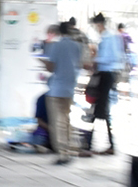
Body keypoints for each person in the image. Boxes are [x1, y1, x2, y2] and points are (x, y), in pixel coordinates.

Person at [43, 22, 83, 163]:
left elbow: (51, 67)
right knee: (66, 119)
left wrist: (43, 62)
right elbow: (79, 64)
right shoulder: (77, 46)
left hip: (56, 88)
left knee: (58, 121)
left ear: (59, 32)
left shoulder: (56, 46)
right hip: (70, 87)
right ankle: (71, 148)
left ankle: (62, 152)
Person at [88, 13, 125, 154]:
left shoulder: (107, 38)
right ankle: (106, 144)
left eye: (95, 26)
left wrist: (94, 59)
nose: (95, 29)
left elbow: (108, 57)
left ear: (99, 25)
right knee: (102, 109)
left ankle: (90, 144)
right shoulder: (114, 36)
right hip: (110, 74)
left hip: (105, 74)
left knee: (99, 108)